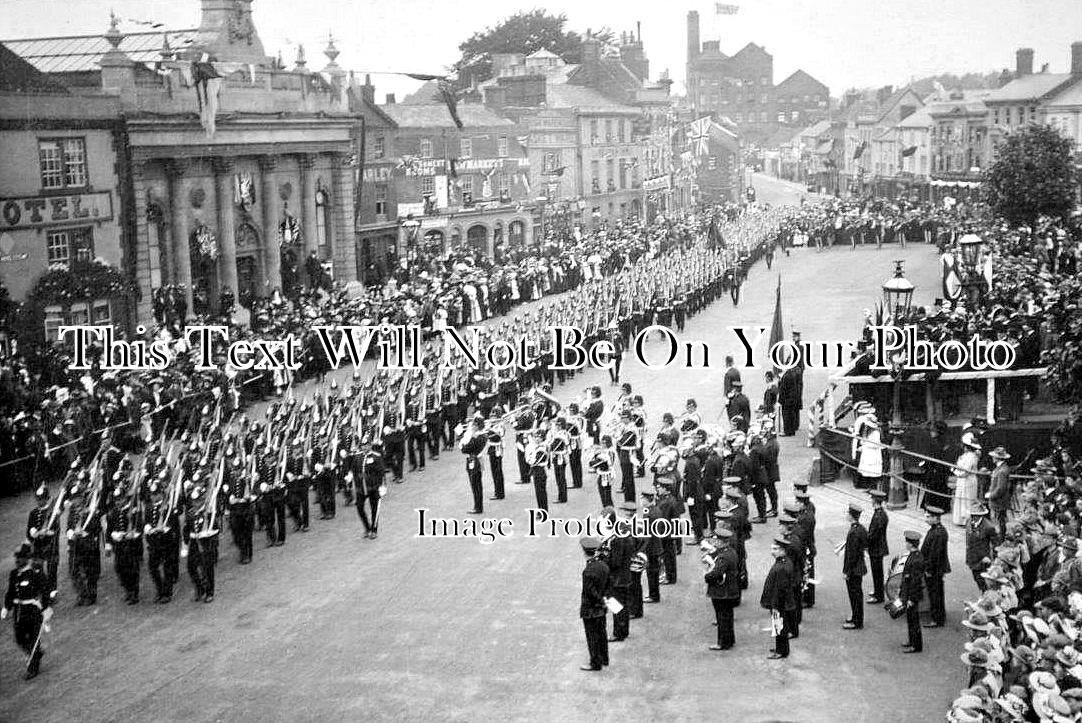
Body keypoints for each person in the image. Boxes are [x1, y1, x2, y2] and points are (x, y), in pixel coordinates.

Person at [3, 543, 53, 679]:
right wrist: (6, 607)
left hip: (32, 612)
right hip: (19, 612)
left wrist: (46, 607)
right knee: (19, 638)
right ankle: (36, 653)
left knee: (33, 638)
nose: (17, 561)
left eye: (20, 558)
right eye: (16, 558)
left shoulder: (35, 572)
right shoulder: (14, 574)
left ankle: (33, 668)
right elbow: (11, 592)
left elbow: (45, 590)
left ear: (26, 558)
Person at [705, 530, 741, 651]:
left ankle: (723, 642)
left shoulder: (724, 557)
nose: (715, 542)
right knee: (728, 616)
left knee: (722, 617)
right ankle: (730, 639)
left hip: (722, 591)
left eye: (717, 540)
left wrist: (707, 574)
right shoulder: (730, 552)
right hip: (730, 590)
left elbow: (715, 574)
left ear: (722, 542)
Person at [579, 537, 610, 672]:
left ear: (585, 552)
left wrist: (600, 600)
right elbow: (609, 585)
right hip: (601, 608)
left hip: (591, 608)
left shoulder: (588, 571)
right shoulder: (604, 566)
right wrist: (605, 600)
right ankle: (604, 658)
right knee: (602, 633)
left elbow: (590, 591)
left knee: (592, 636)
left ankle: (595, 662)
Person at [761, 535, 795, 659]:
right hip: (781, 603)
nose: (772, 551)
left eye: (775, 549)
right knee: (779, 626)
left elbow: (780, 590)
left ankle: (781, 651)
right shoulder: (784, 562)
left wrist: (775, 606)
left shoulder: (781, 567)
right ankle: (781, 648)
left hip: (779, 604)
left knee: (779, 627)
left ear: (782, 551)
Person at [921, 506, 951, 628]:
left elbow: (934, 555)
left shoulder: (938, 533)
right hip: (936, 569)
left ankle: (937, 619)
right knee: (936, 593)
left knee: (935, 594)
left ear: (935, 518)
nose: (926, 518)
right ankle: (938, 616)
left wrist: (928, 569)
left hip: (934, 570)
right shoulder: (936, 530)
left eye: (929, 517)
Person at [842, 503, 869, 630]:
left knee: (855, 595)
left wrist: (846, 571)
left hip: (854, 569)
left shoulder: (853, 532)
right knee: (857, 594)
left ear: (851, 515)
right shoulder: (861, 529)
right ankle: (856, 616)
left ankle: (857, 621)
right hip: (859, 566)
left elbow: (851, 555)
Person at [899, 530, 925, 654]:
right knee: (910, 619)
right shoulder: (914, 555)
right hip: (908, 592)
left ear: (910, 544)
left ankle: (916, 645)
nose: (905, 544)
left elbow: (915, 581)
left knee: (914, 620)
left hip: (912, 595)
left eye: (907, 542)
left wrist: (911, 598)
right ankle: (912, 640)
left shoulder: (916, 560)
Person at [965, 504, 999, 593]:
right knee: (976, 578)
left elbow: (996, 545)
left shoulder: (989, 527)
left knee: (983, 581)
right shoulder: (968, 522)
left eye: (975, 515)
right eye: (972, 515)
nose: (973, 517)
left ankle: (986, 597)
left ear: (981, 515)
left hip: (983, 560)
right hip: (972, 558)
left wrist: (991, 559)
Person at [460, 416, 487, 514]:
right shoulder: (482, 435)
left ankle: (478, 507)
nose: (472, 427)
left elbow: (465, 449)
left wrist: (462, 443)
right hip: (478, 459)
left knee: (475, 485)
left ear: (477, 426)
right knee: (477, 485)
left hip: (474, 460)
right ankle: (478, 506)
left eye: (474, 425)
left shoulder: (476, 437)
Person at [867, 490, 889, 604]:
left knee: (877, 572)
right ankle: (877, 591)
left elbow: (873, 534)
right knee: (877, 572)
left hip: (876, 548)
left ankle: (878, 595)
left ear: (875, 501)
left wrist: (866, 543)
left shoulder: (878, 516)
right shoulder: (881, 513)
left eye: (872, 499)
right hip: (878, 547)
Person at [986, 446, 1012, 536]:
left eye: (994, 456)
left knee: (999, 523)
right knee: (999, 521)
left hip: (999, 502)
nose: (992, 458)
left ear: (997, 458)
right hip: (998, 501)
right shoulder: (1000, 468)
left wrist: (991, 495)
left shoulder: (1002, 471)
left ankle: (1000, 540)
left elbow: (1001, 488)